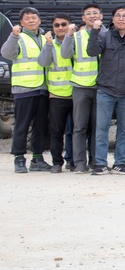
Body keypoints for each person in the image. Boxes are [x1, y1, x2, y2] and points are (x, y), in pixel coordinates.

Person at [87, 6, 125, 175]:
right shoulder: (104, 36)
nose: (121, 19)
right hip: (106, 90)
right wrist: (94, 31)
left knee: (124, 130)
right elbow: (92, 51)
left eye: (124, 16)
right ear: (112, 19)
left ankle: (120, 163)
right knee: (101, 129)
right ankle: (100, 163)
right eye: (117, 16)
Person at [3, 7, 50, 173]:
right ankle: (19, 159)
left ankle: (37, 159)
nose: (31, 20)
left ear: (39, 20)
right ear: (21, 22)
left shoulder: (45, 38)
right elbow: (6, 53)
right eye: (27, 18)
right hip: (24, 90)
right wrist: (13, 36)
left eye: (34, 17)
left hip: (43, 89)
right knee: (21, 126)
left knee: (40, 126)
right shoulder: (19, 37)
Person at [62, 4, 103, 173]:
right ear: (83, 18)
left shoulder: (107, 34)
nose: (92, 16)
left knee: (97, 127)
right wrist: (68, 36)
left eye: (95, 13)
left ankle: (95, 161)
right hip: (81, 86)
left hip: (101, 87)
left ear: (101, 16)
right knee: (79, 127)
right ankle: (79, 162)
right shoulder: (76, 36)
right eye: (88, 14)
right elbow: (65, 54)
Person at [39, 14, 74, 173]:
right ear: (53, 28)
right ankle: (57, 162)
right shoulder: (49, 44)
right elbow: (44, 63)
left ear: (69, 25)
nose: (60, 27)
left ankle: (72, 160)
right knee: (56, 131)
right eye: (56, 25)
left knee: (75, 131)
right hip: (56, 95)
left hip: (76, 93)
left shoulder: (76, 42)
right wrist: (47, 45)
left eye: (63, 24)